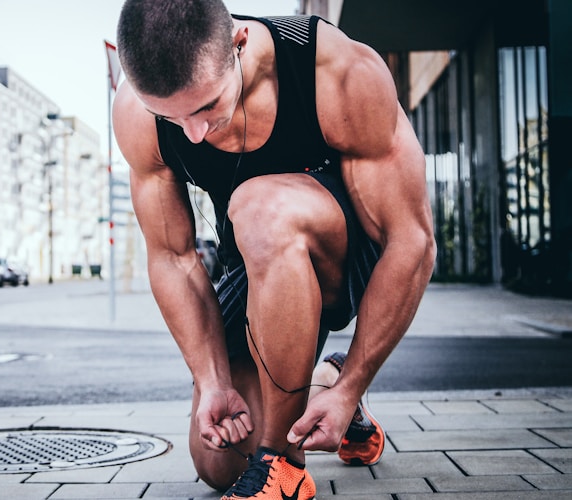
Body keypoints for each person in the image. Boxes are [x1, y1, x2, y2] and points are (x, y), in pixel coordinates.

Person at [112, 1, 436, 499]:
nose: (193, 133)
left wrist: (356, 382)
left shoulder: (333, 69)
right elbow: (173, 258)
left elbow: (411, 239)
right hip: (255, 262)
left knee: (260, 206)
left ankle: (284, 467)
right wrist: (213, 380)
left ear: (238, 44)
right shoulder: (136, 113)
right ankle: (321, 383)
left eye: (205, 107)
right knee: (219, 461)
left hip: (346, 256)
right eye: (170, 116)